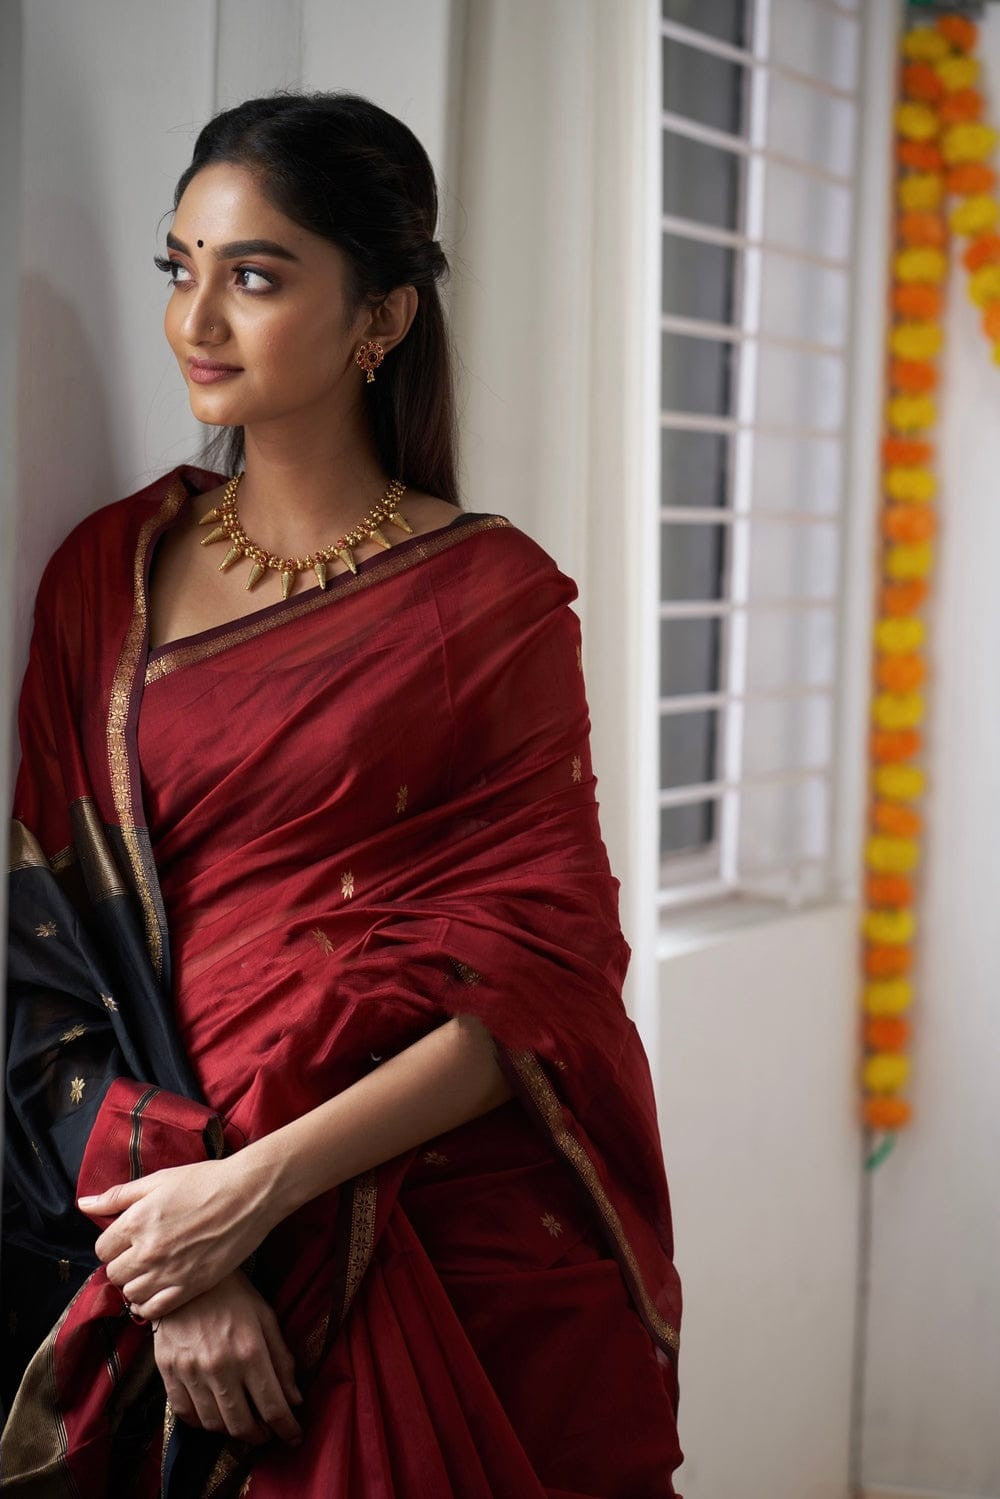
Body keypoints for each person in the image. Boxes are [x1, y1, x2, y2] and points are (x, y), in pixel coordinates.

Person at [1, 90, 684, 1497]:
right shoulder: (101, 580)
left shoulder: (493, 601)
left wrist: (260, 1191)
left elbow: (550, 971)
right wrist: (180, 1259)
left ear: (380, 318)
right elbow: (40, 962)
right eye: (179, 266)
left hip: (436, 1230)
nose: (196, 318)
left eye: (254, 275)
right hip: (162, 1220)